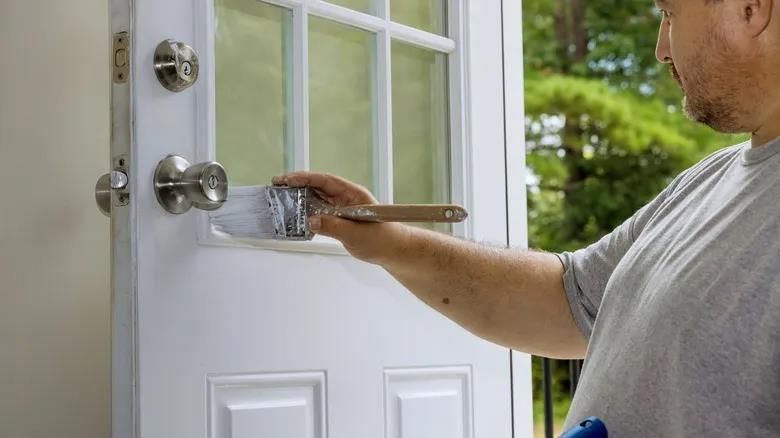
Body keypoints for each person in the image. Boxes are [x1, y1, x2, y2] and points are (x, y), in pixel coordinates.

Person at [274, 0, 780, 435]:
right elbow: (567, 298)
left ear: (752, 8)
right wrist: (388, 243)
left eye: (669, 13)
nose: (661, 49)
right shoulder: (707, 180)